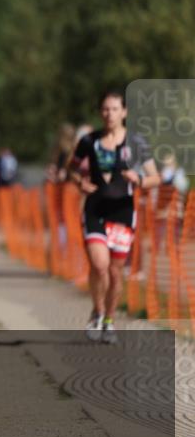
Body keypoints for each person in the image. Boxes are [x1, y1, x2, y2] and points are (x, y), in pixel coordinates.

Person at [67, 90, 159, 344]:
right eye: (106, 109)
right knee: (99, 265)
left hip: (122, 212)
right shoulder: (89, 140)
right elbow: (71, 168)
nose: (110, 114)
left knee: (115, 272)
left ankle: (109, 319)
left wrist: (139, 179)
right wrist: (79, 182)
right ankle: (97, 313)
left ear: (124, 112)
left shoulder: (136, 142)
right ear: (100, 112)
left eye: (115, 109)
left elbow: (156, 177)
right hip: (95, 209)